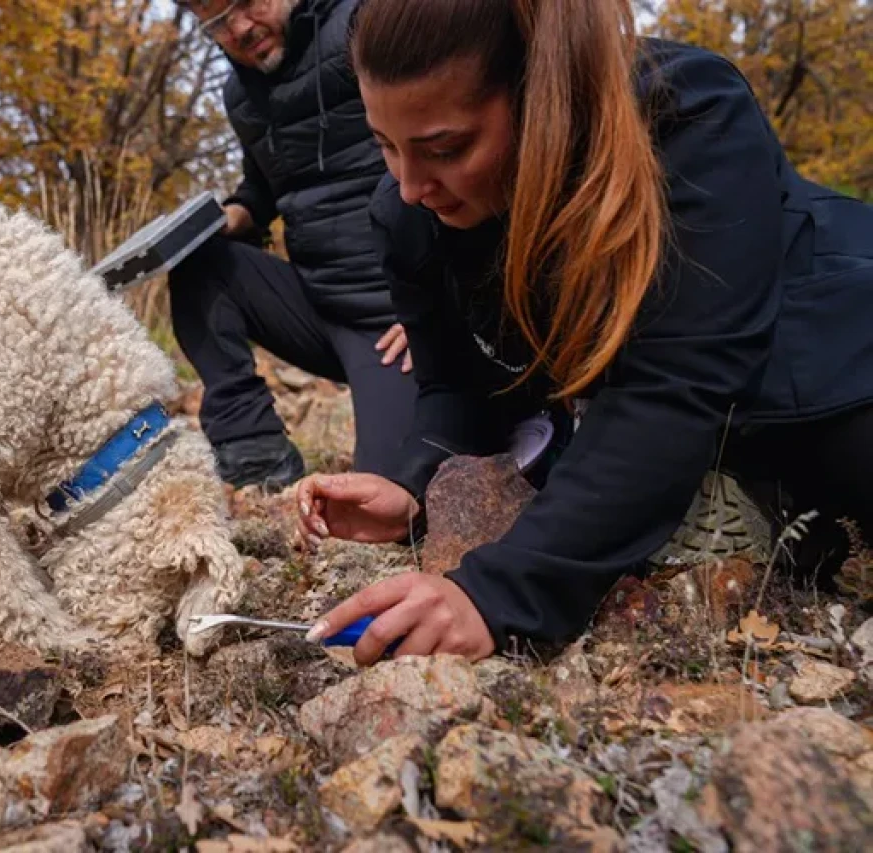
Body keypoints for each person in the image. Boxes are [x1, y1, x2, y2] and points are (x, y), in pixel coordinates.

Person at [296, 0, 873, 664]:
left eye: (446, 147)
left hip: (826, 361)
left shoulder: (685, 115)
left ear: (540, 96)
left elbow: (674, 385)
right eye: (385, 143)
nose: (409, 185)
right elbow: (457, 382)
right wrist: (410, 484)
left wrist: (497, 594)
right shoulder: (410, 217)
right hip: (679, 435)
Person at [170, 0, 420, 492]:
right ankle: (255, 453)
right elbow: (262, 187)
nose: (240, 28)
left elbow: (455, 165)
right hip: (320, 305)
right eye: (218, 23)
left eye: (248, 3)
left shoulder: (368, 26)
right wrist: (231, 217)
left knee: (392, 492)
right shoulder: (240, 95)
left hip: (404, 320)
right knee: (196, 259)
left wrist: (442, 309)